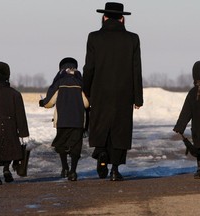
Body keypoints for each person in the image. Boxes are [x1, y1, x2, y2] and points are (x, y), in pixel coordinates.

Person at [83, 2, 143, 181]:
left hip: (99, 91)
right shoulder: (133, 39)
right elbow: (136, 70)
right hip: (124, 93)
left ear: (104, 17)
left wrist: (86, 91)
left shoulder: (94, 37)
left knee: (100, 125)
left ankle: (101, 153)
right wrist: (138, 98)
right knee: (120, 130)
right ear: (122, 19)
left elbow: (89, 68)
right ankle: (115, 169)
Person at [39, 57, 89, 181]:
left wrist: (42, 102)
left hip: (62, 120)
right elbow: (87, 103)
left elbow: (49, 103)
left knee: (62, 144)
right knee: (76, 146)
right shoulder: (80, 83)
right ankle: (73, 171)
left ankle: (65, 167)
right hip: (78, 121)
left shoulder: (59, 82)